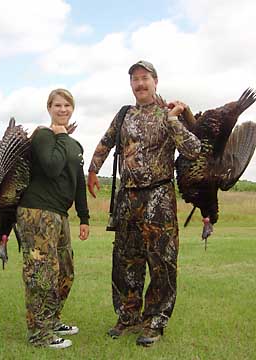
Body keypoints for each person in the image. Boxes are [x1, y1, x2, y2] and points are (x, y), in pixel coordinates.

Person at [87, 60, 201, 347]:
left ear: (156, 81)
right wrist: (91, 170)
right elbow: (106, 141)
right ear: (131, 85)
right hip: (127, 198)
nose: (140, 84)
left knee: (162, 262)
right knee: (125, 261)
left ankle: (155, 321)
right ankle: (127, 317)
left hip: (159, 197)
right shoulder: (125, 114)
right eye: (135, 79)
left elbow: (193, 149)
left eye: (145, 78)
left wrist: (176, 119)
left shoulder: (168, 114)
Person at [17, 88, 90, 349]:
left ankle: (52, 320)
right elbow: (51, 166)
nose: (62, 110)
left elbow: (78, 182)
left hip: (60, 214)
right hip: (37, 211)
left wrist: (84, 217)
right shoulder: (44, 136)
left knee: (65, 271)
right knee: (41, 273)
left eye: (67, 105)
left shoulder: (74, 144)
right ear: (49, 108)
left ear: (72, 108)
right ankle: (39, 334)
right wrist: (60, 137)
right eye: (57, 105)